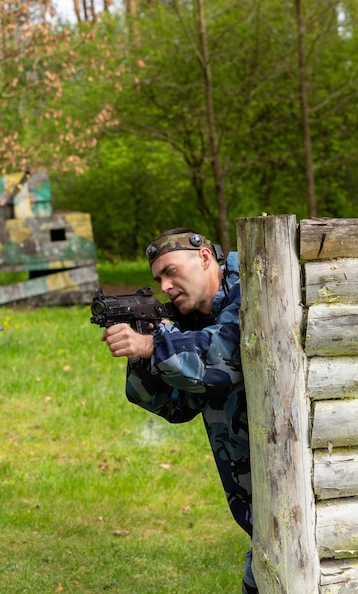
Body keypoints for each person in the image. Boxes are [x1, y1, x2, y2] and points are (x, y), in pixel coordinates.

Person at [102, 228, 258, 593]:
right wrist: (145, 349)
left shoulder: (254, 287)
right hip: (255, 493)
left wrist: (151, 345)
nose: (166, 285)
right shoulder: (191, 319)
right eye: (158, 279)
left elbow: (223, 358)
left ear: (204, 258)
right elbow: (175, 405)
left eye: (171, 271)